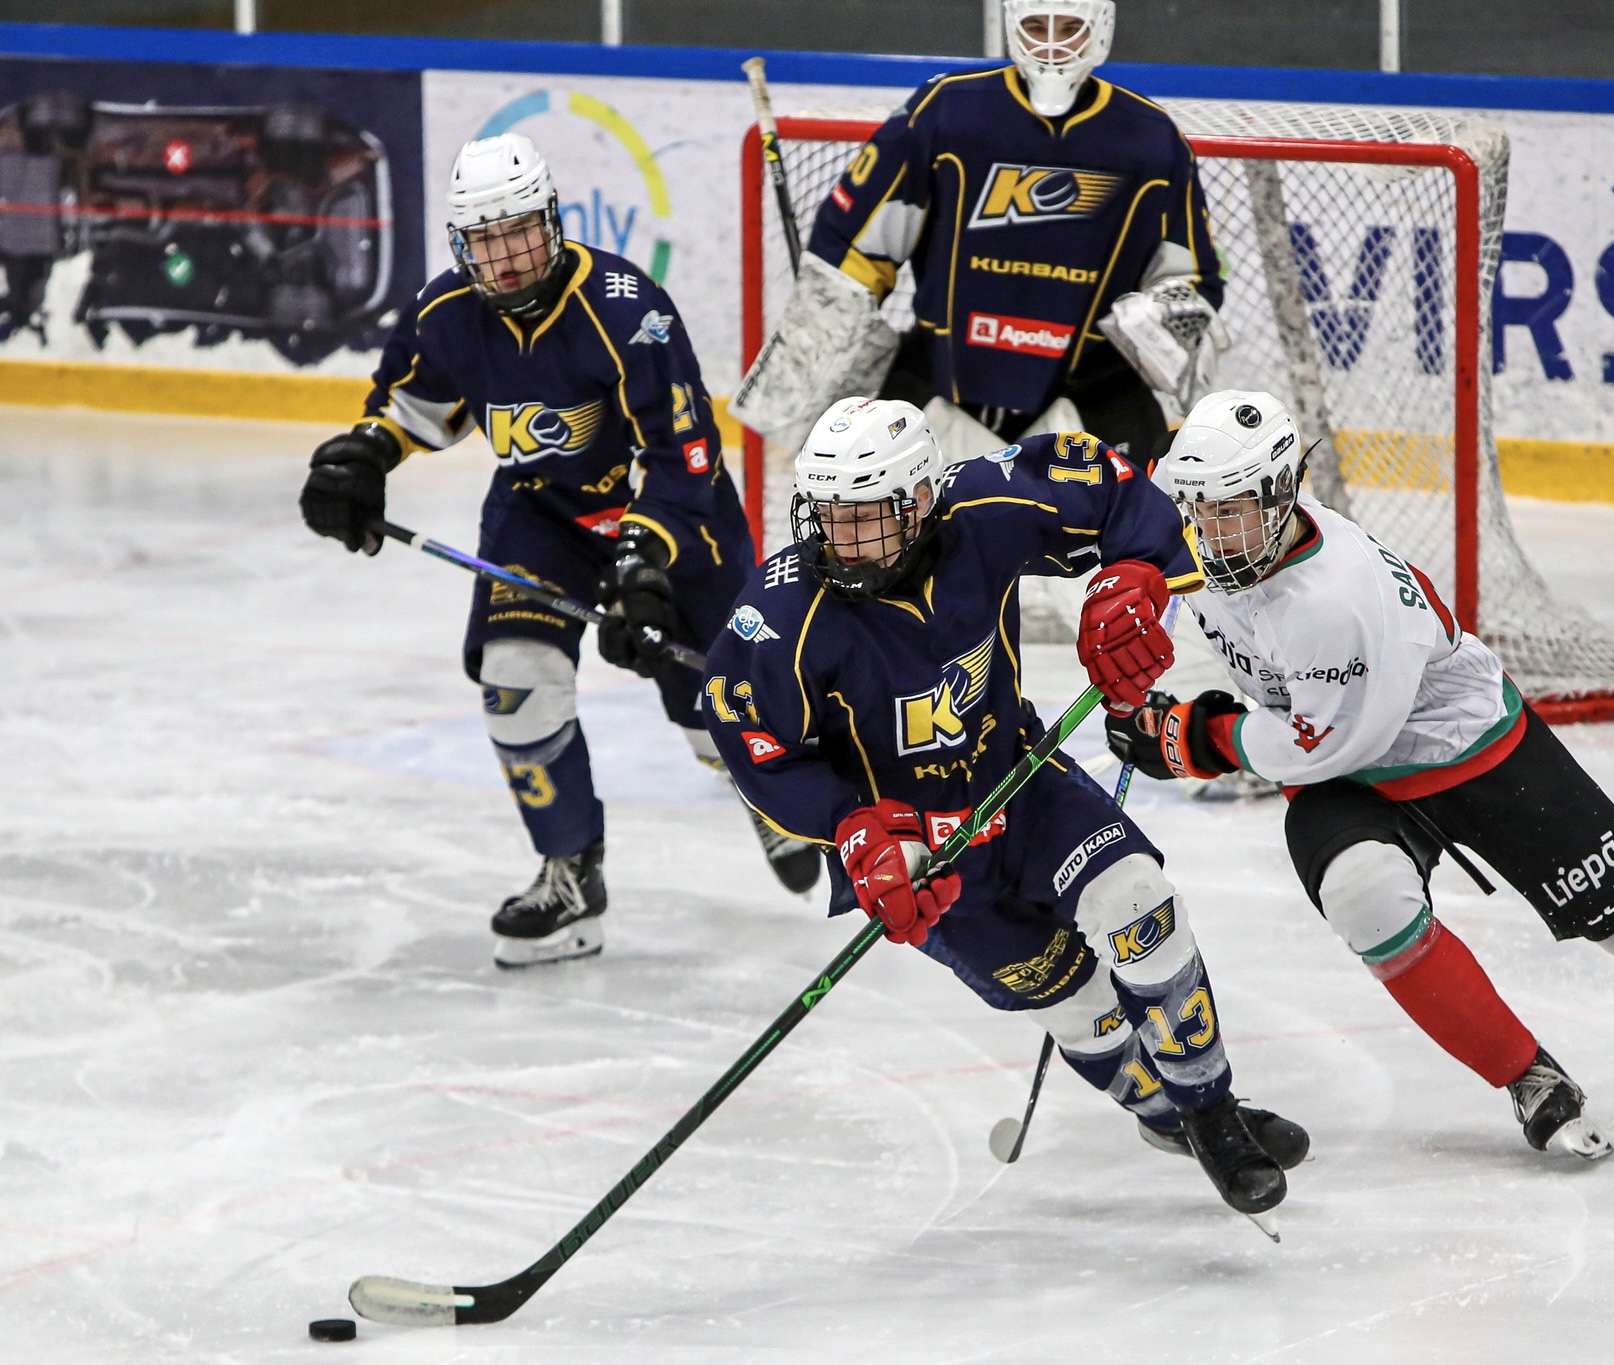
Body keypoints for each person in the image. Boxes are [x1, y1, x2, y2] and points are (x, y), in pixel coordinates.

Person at [1107, 389, 1614, 1156]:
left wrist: (1196, 737)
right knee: (1366, 896)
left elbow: (1328, 745)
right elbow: (1112, 521)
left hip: (1466, 747)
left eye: (1233, 509)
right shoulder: (1205, 533)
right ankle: (1527, 1075)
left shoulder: (1336, 596)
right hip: (1350, 770)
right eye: (1199, 511)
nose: (1212, 534)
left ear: (1282, 493)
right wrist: (1120, 597)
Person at [699, 395, 1306, 1225]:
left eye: (867, 518)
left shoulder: (984, 505)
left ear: (920, 500)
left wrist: (1133, 580)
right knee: (1077, 1001)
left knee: (1137, 901)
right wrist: (852, 827)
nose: (843, 539)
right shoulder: (779, 616)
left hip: (1018, 787)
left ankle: (1211, 1111)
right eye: (830, 516)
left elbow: (1127, 492)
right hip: (922, 861)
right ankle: (1166, 1118)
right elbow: (751, 739)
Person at [299, 133, 818, 968]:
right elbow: (410, 410)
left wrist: (643, 566)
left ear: (552, 220)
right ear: (463, 245)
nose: (506, 258)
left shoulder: (627, 309)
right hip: (542, 515)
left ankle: (770, 792)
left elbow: (681, 456)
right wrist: (362, 458)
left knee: (717, 722)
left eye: (520, 232)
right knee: (517, 682)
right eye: (486, 240)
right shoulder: (445, 316)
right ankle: (570, 875)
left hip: (673, 521)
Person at [731, 0, 1225, 467]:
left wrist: (1165, 317)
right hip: (941, 393)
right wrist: (824, 335)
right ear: (1013, 24)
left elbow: (1192, 278)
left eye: (1069, 28)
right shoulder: (947, 112)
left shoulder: (1153, 141)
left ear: (1101, 28)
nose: (1052, 45)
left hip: (1086, 400)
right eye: (1036, 26)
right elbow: (856, 244)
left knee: (1129, 543)